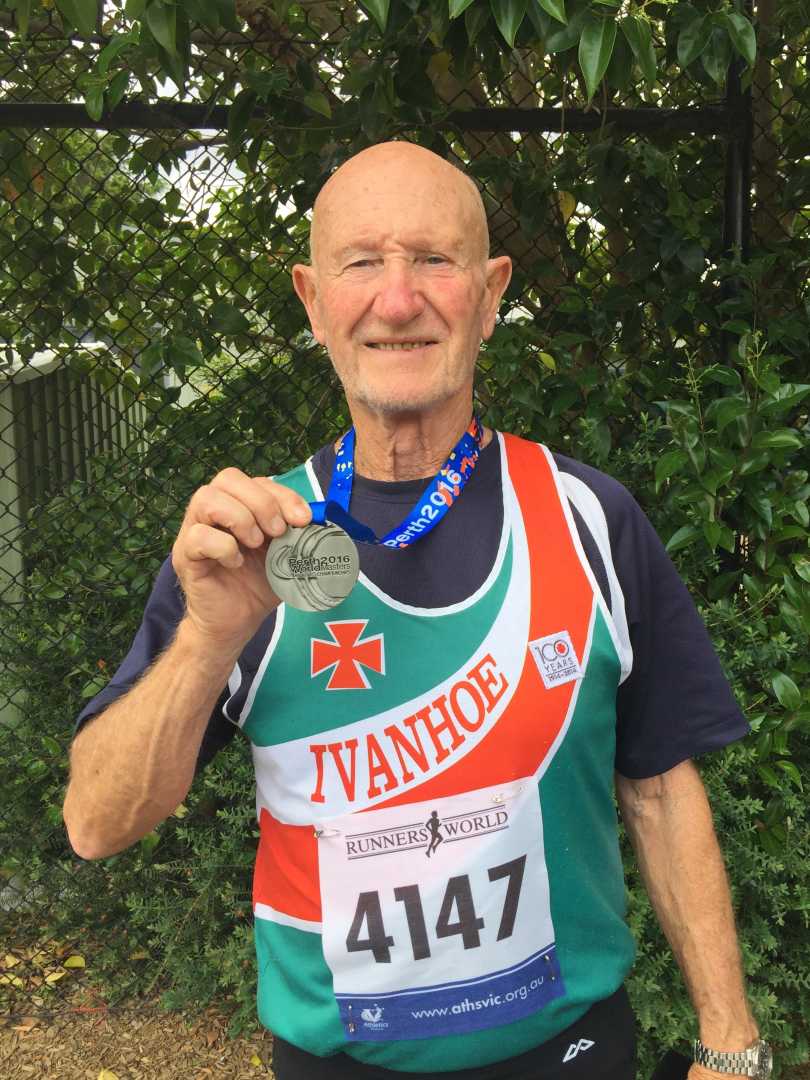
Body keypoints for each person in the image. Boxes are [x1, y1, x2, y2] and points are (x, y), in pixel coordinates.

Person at [64, 142, 770, 1080]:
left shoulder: (589, 516)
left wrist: (731, 1044)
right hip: (338, 1062)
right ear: (314, 302)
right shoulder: (248, 545)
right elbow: (96, 825)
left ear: (490, 292)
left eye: (434, 260)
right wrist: (208, 639)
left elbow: (659, 786)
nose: (399, 300)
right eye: (362, 263)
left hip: (570, 1049)